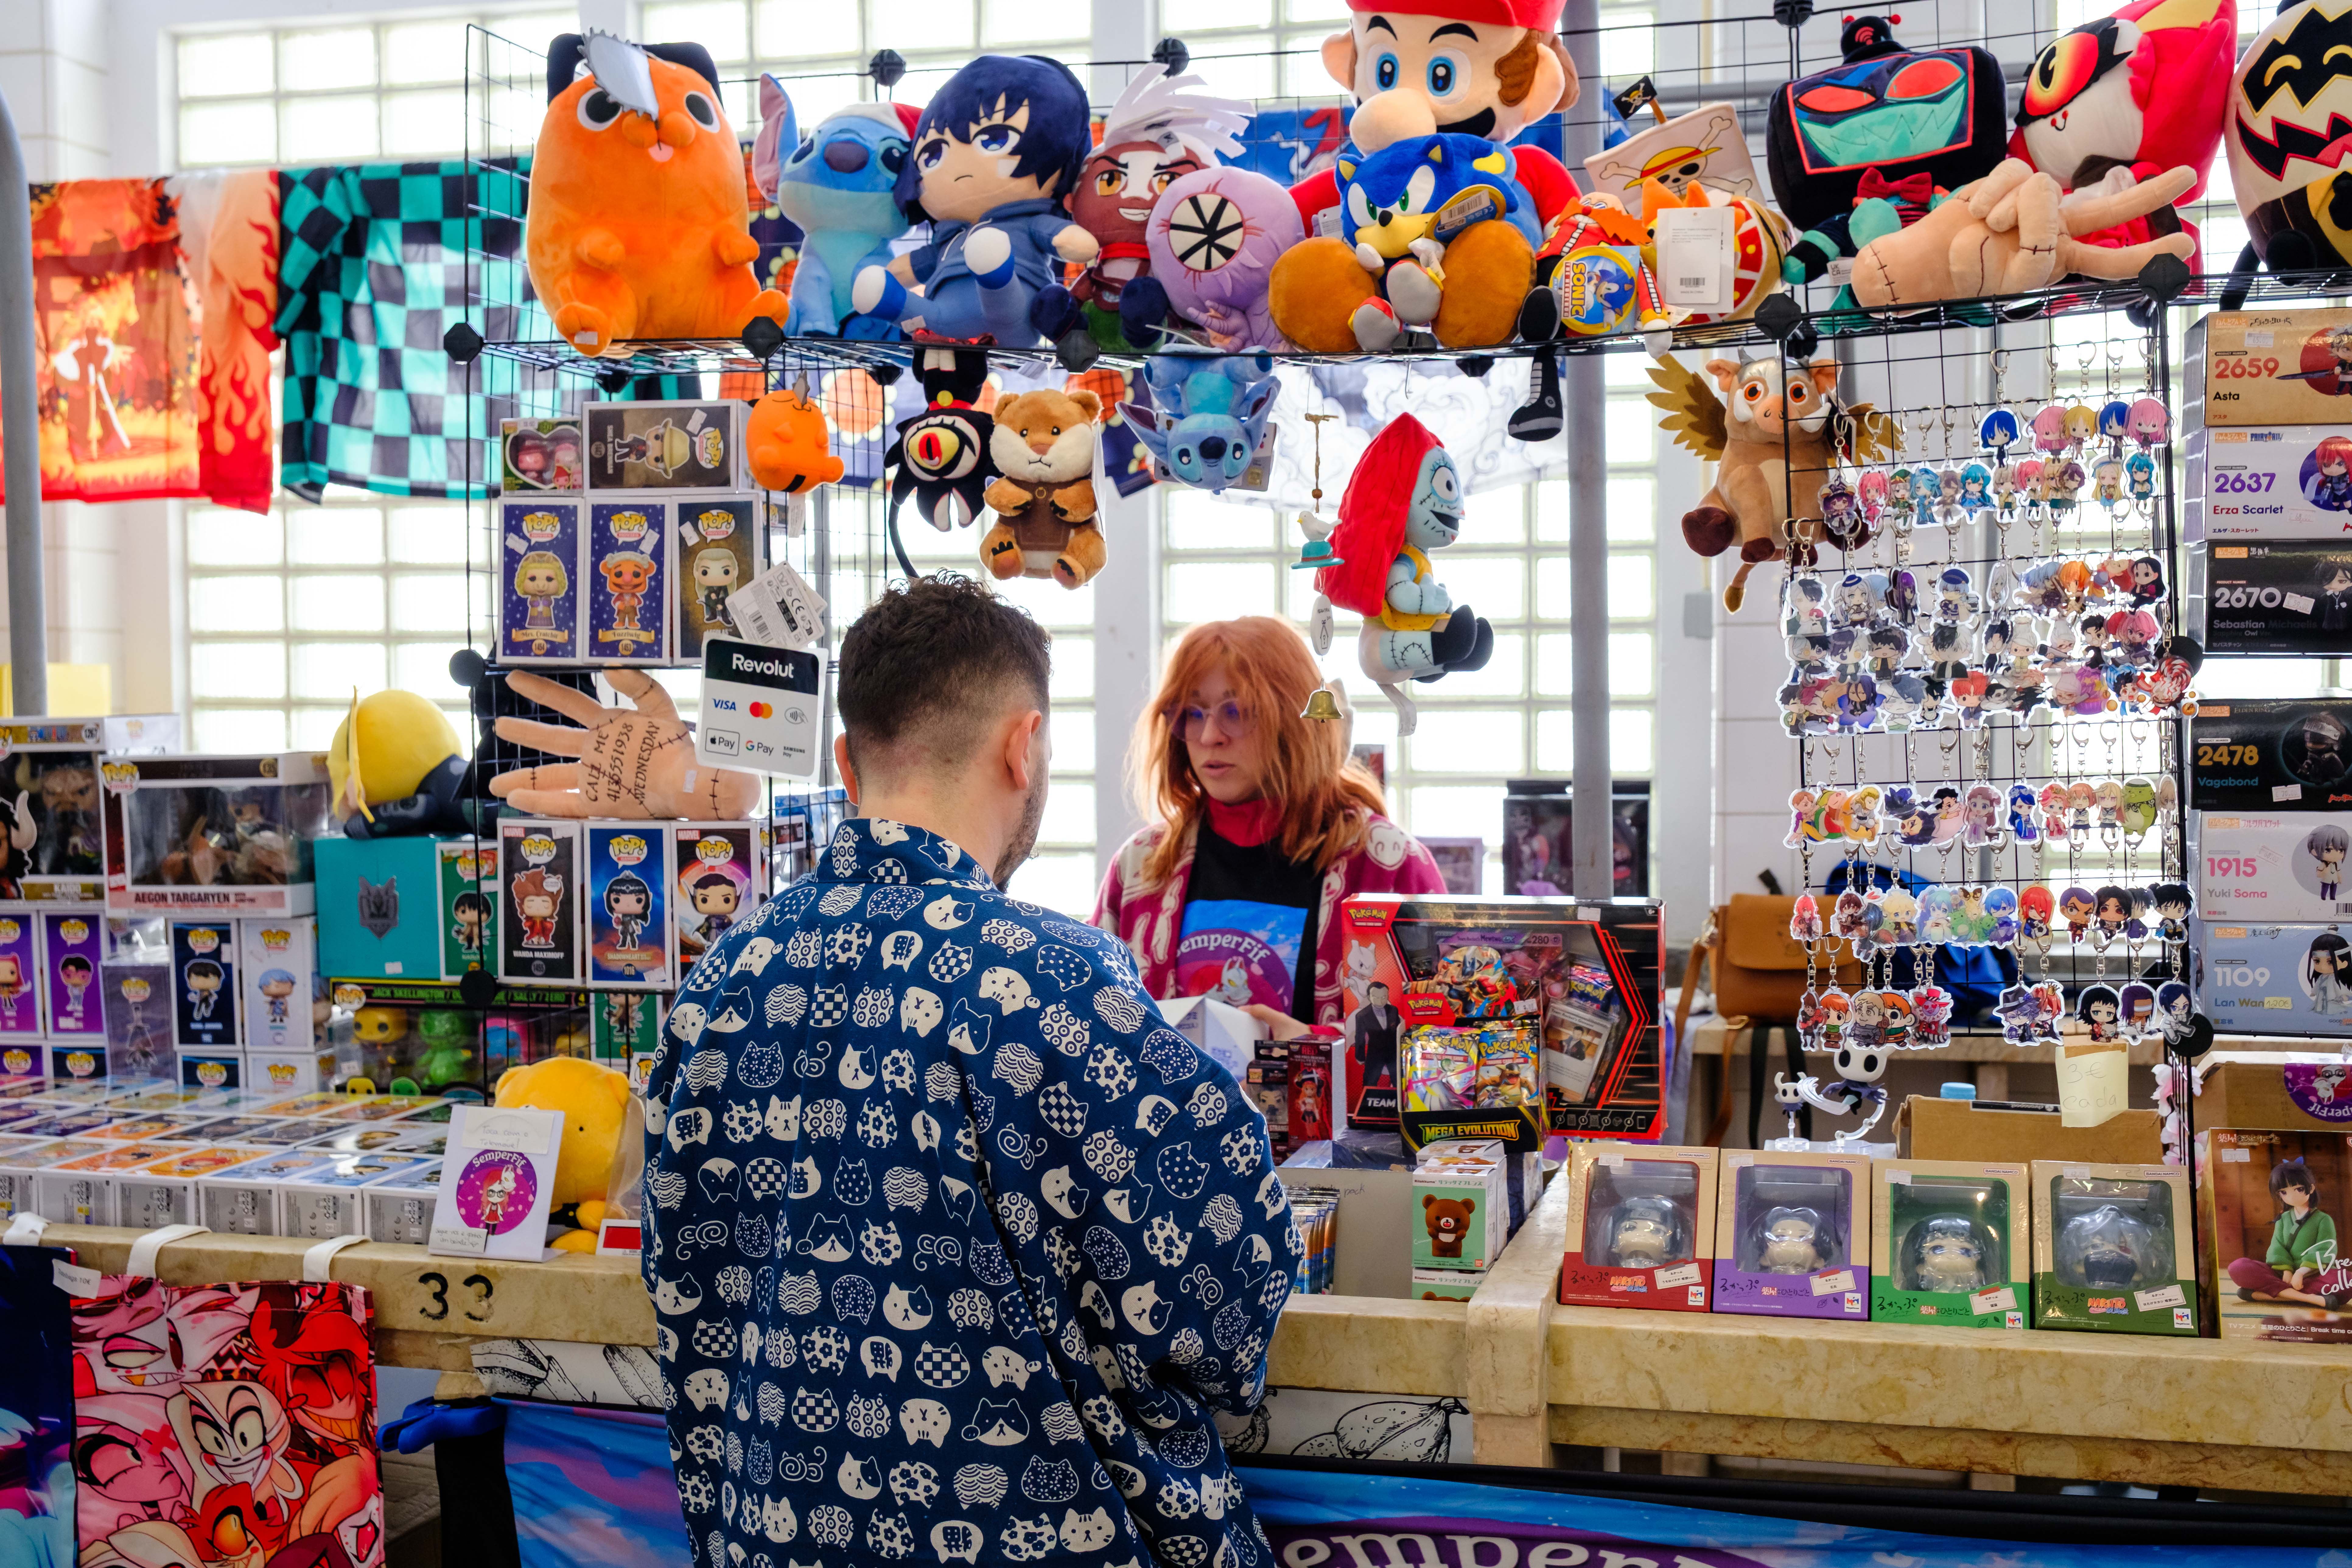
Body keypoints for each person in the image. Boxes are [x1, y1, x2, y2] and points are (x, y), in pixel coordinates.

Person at [645, 574, 1295, 1568]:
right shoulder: (1049, 979)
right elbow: (1216, 1292)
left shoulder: (725, 976)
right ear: (1021, 745)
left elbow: (682, 1270)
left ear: (845, 763)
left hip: (768, 1536)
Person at [1094, 617, 1445, 1037]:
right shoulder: (1140, 866)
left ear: (1294, 719)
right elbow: (1097, 1030)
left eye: (1236, 711)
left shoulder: (1389, 865)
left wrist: (1311, 1050)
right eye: (1192, 712)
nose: (1209, 735)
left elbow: (1436, 1047)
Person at [2227, 1157, 2342, 1308]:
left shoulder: (2323, 1220)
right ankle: (2312, 1300)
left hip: (2312, 1275)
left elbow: (2325, 1250)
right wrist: (2287, 1271)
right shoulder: (2283, 1219)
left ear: (2311, 1189)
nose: (2292, 1197)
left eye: (2299, 1189)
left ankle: (2262, 1295)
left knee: (2344, 1281)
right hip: (2282, 1276)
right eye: (2284, 1192)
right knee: (2238, 1267)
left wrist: (2301, 1273)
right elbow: (2277, 1247)